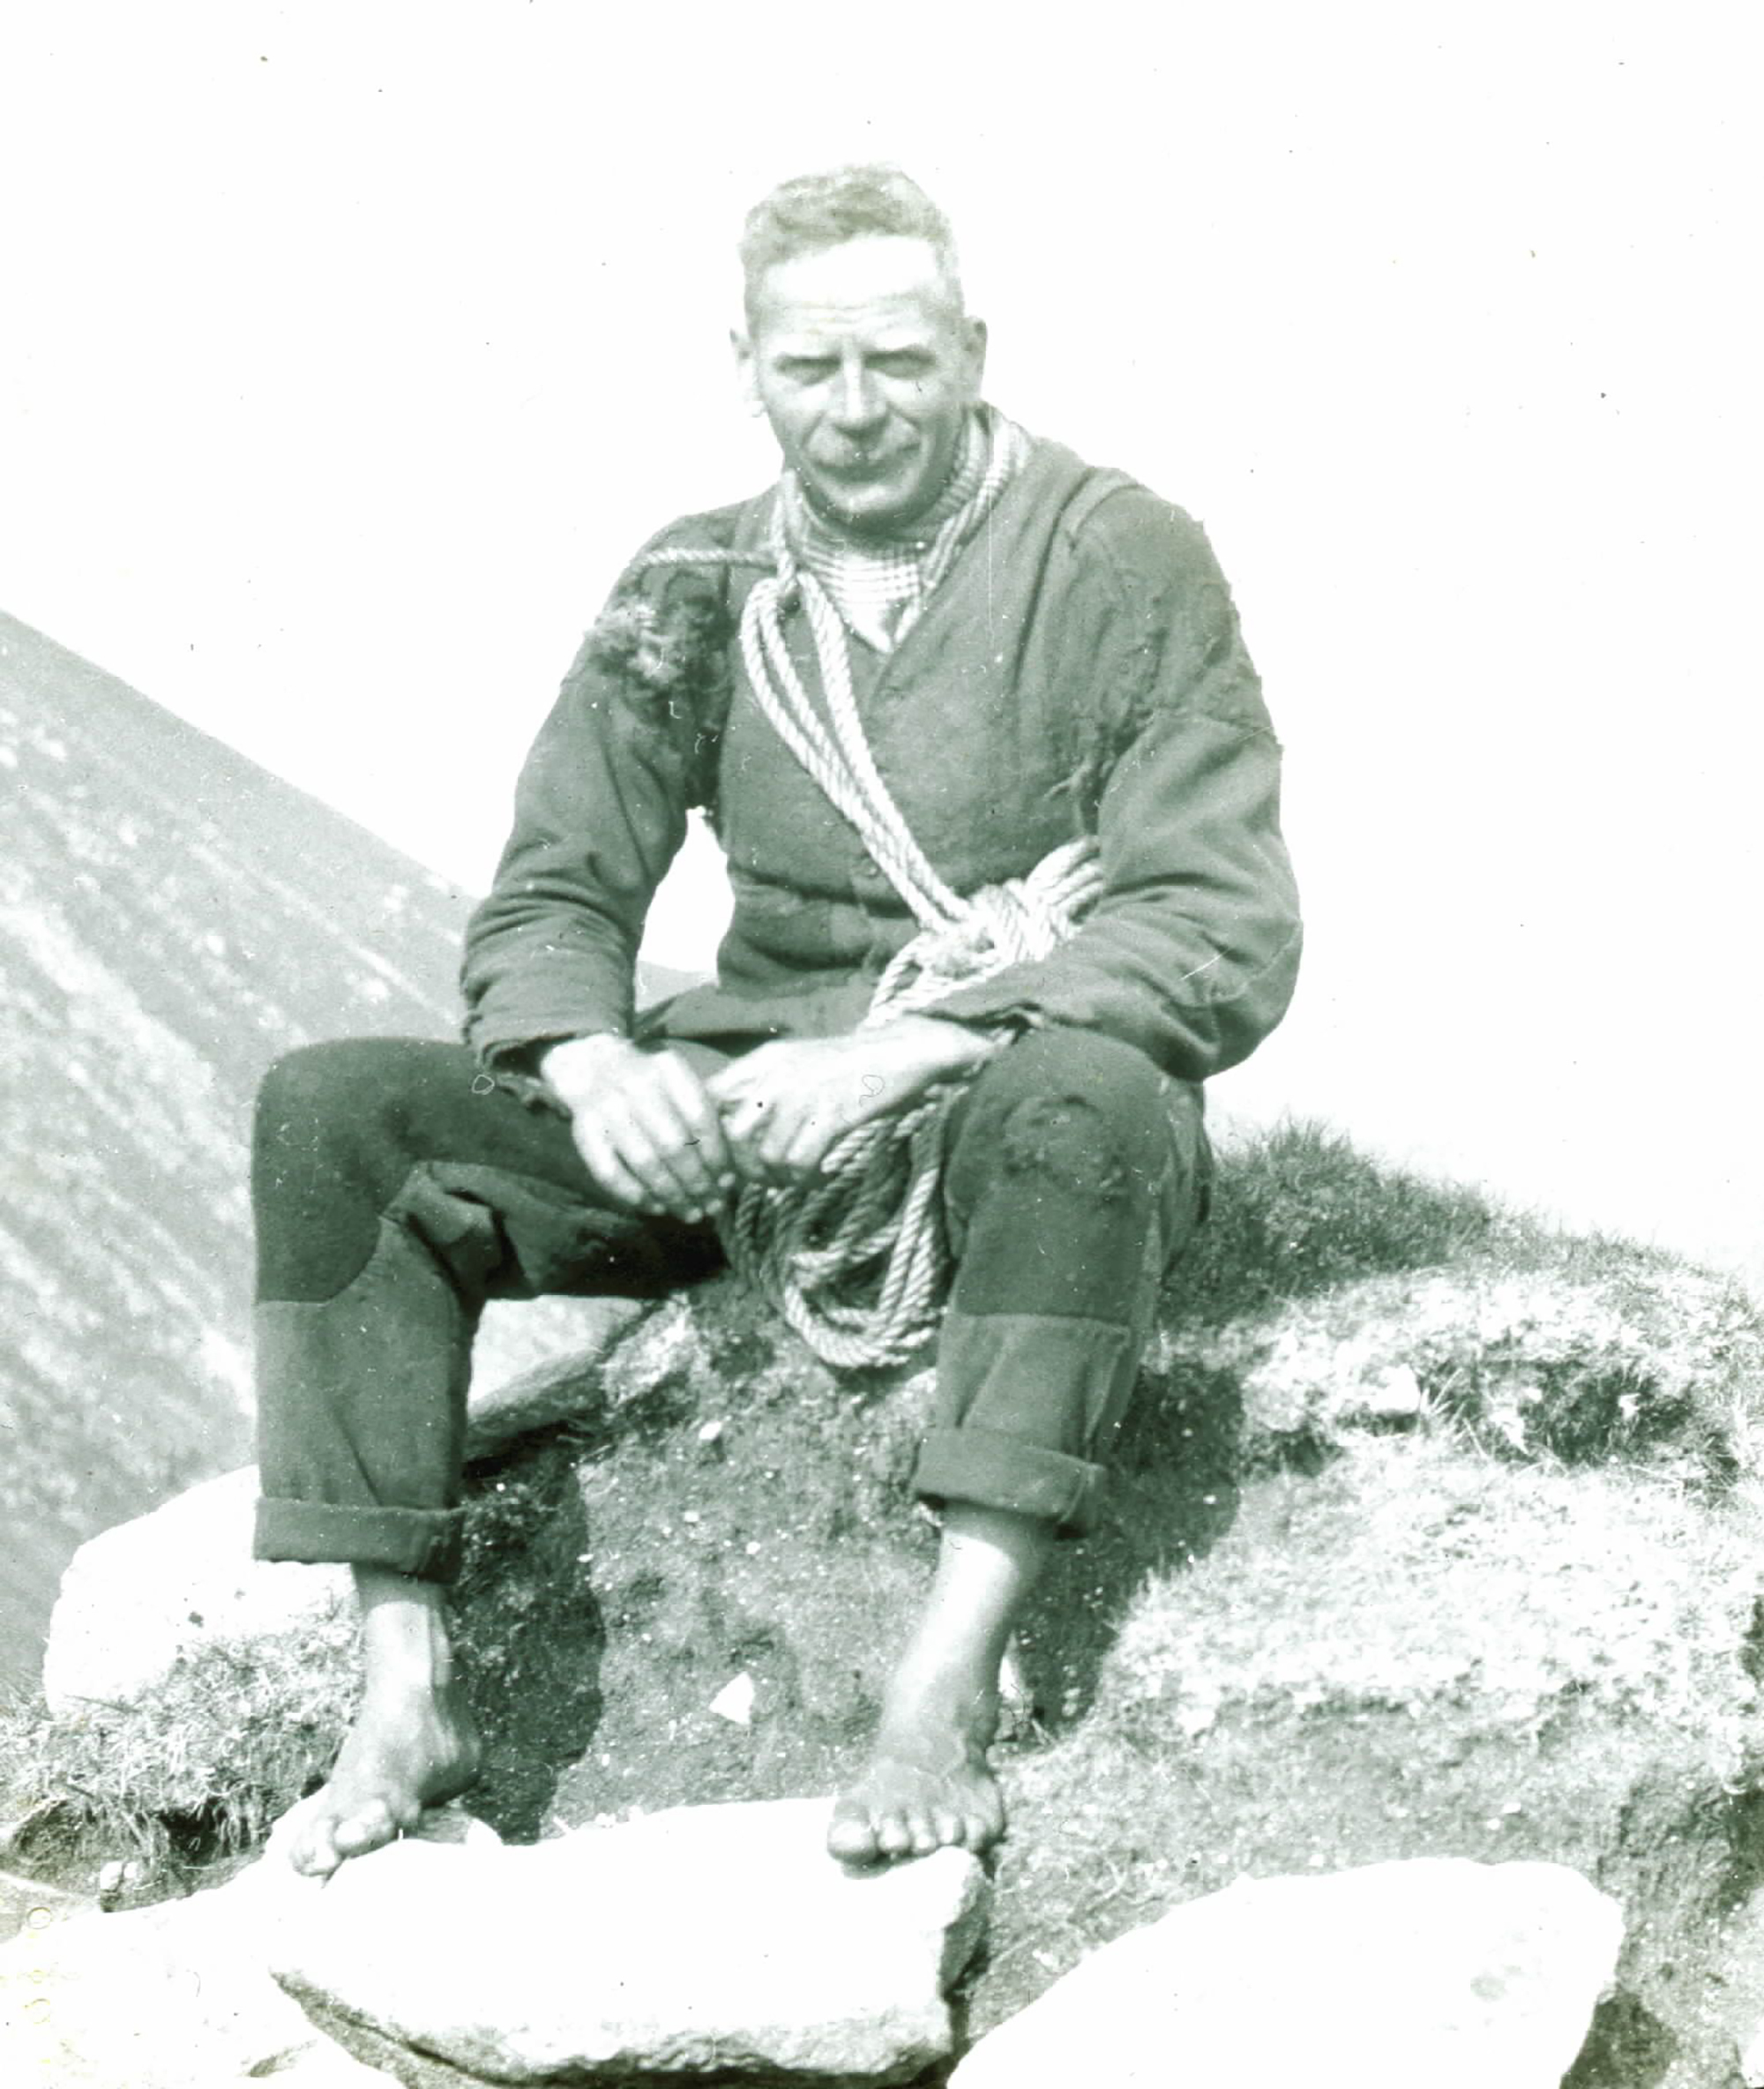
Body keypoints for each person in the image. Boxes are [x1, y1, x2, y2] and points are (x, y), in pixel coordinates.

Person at [253, 164, 1301, 1876]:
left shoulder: (1120, 553)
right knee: (336, 1112)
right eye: (810, 369)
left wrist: (908, 1045)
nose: (857, 407)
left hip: (993, 1073)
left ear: (973, 349)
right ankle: (404, 1690)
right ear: (742, 361)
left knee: (1095, 1100)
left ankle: (942, 1681)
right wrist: (591, 1058)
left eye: (898, 361)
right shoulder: (694, 579)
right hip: (754, 1115)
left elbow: (1219, 915)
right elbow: (550, 893)